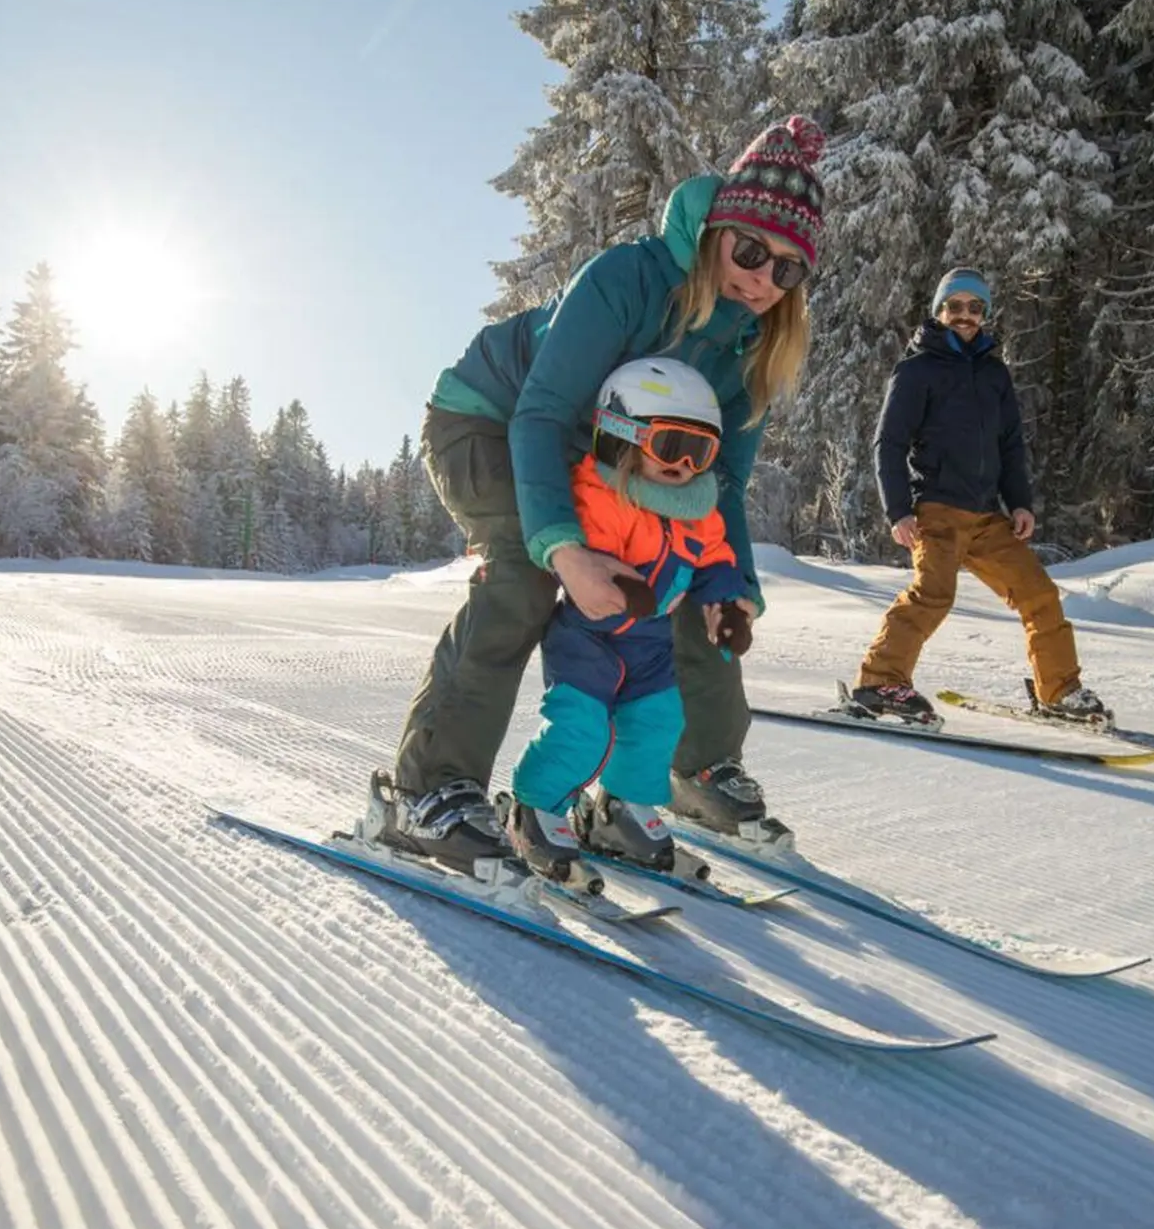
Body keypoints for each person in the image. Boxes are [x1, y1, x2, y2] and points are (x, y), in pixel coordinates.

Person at [365, 115, 825, 875]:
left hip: (615, 460)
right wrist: (566, 548)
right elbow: (541, 414)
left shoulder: (754, 351)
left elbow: (723, 485)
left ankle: (685, 771)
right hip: (490, 419)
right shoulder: (629, 279)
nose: (762, 279)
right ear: (717, 228)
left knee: (691, 579)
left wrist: (731, 586)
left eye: (788, 271)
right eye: (750, 250)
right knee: (528, 569)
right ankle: (429, 792)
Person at [504, 358, 754, 885]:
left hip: (651, 644)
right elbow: (592, 551)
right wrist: (626, 587)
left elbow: (714, 561)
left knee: (660, 723)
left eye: (700, 452)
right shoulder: (602, 492)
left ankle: (620, 811)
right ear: (624, 436)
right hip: (588, 639)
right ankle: (534, 810)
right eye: (670, 446)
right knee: (581, 729)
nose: (684, 464)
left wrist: (728, 606)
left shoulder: (695, 510)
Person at [851, 267, 1108, 723]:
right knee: (933, 593)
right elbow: (888, 442)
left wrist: (1021, 503)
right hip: (937, 509)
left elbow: (1009, 444)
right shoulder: (917, 369)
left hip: (988, 516)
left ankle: (1060, 691)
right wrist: (898, 510)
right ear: (939, 311)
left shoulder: (994, 373)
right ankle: (880, 681)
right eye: (955, 306)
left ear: (984, 314)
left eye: (974, 308)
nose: (964, 315)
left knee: (1039, 594)